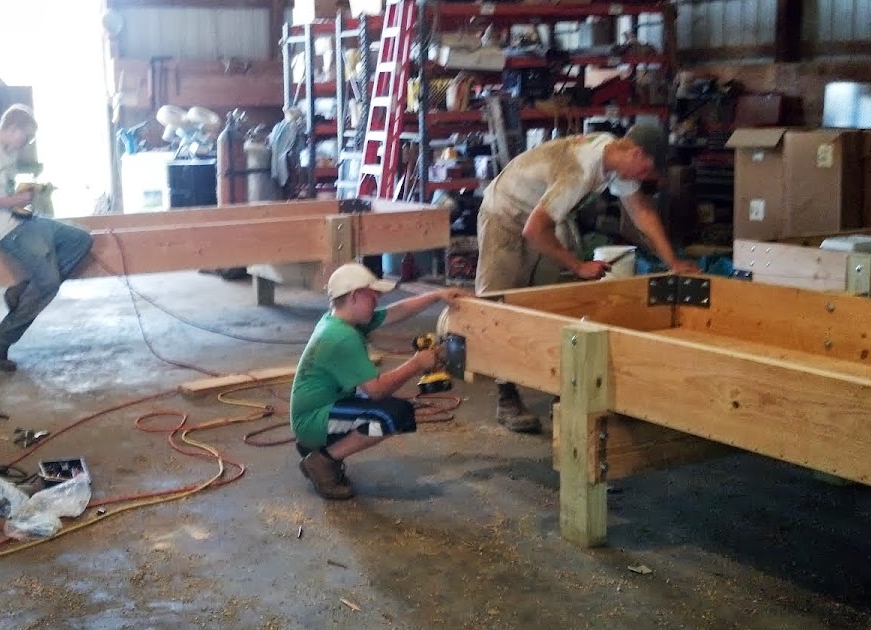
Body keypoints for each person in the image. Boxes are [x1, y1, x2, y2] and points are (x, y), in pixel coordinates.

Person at [475, 123, 699, 433]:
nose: (646, 178)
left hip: (542, 220)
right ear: (635, 152)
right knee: (499, 305)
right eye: (647, 169)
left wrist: (673, 262)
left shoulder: (614, 157)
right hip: (506, 215)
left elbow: (642, 212)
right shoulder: (582, 169)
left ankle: (558, 390)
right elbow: (533, 229)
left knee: (547, 305)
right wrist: (579, 266)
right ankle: (506, 397)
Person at [289, 262, 470, 500]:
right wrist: (416, 364)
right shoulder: (342, 337)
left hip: (320, 409)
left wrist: (436, 295)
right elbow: (376, 391)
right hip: (311, 421)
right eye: (373, 296)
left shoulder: (339, 320)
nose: (377, 301)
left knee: (390, 410)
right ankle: (322, 461)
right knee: (391, 415)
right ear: (354, 296)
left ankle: (320, 448)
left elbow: (397, 311)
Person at [0, 104, 94, 372]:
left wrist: (28, 194)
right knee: (49, 283)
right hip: (4, 228)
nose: (27, 142)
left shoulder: (8, 151)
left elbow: (1, 193)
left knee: (81, 240)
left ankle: (24, 291)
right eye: (26, 136)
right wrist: (13, 200)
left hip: (22, 220)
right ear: (12, 128)